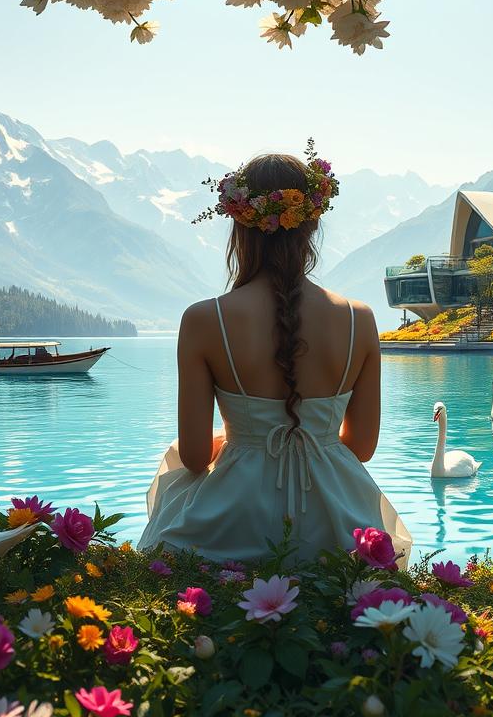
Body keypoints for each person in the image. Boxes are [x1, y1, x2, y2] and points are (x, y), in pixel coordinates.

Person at [138, 150, 411, 567]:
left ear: (239, 228)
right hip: (336, 523)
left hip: (235, 518)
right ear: (313, 224)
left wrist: (240, 441)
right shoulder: (360, 319)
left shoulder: (204, 319)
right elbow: (361, 447)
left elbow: (194, 456)